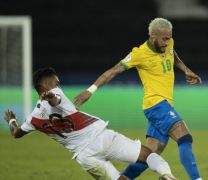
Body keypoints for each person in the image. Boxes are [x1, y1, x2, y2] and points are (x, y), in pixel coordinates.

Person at [74, 17, 202, 180]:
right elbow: (113, 71)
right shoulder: (139, 54)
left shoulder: (168, 43)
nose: (167, 42)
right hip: (156, 105)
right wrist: (90, 90)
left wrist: (186, 70)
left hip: (163, 104)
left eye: (169, 38)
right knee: (184, 137)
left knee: (150, 154)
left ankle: (124, 178)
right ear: (153, 36)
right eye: (164, 39)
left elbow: (173, 54)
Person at [3, 67, 176, 180]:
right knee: (147, 155)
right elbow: (55, 100)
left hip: (85, 156)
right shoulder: (56, 93)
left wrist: (11, 120)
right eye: (56, 82)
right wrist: (50, 97)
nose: (59, 84)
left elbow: (16, 133)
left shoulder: (32, 119)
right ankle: (167, 175)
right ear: (50, 84)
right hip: (101, 138)